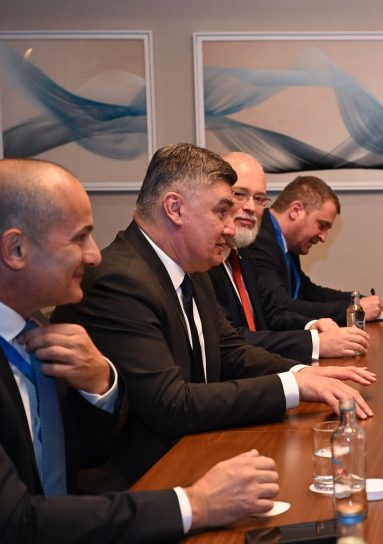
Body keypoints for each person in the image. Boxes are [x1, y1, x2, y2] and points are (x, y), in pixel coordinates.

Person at [51, 143, 375, 491]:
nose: (231, 228)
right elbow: (172, 405)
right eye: (221, 212)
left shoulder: (192, 268)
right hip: (144, 482)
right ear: (175, 208)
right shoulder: (120, 281)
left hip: (195, 452)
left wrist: (302, 373)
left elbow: (231, 351)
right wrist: (291, 386)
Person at [0, 159, 279, 542]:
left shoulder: (37, 331)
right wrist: (195, 504)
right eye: (79, 239)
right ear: (15, 249)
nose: (94, 255)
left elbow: (81, 458)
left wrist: (101, 387)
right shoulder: (116, 281)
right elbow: (16, 522)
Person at [207, 152, 369, 361]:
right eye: (239, 194)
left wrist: (312, 326)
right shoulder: (205, 260)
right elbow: (232, 341)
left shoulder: (242, 252)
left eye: (259, 199)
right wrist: (315, 343)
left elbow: (272, 312)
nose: (251, 207)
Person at [245, 175, 383, 325]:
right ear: (295, 210)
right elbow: (281, 307)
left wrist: (358, 300)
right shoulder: (259, 239)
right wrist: (354, 310)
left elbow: (309, 292)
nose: (323, 237)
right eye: (321, 225)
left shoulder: (285, 241)